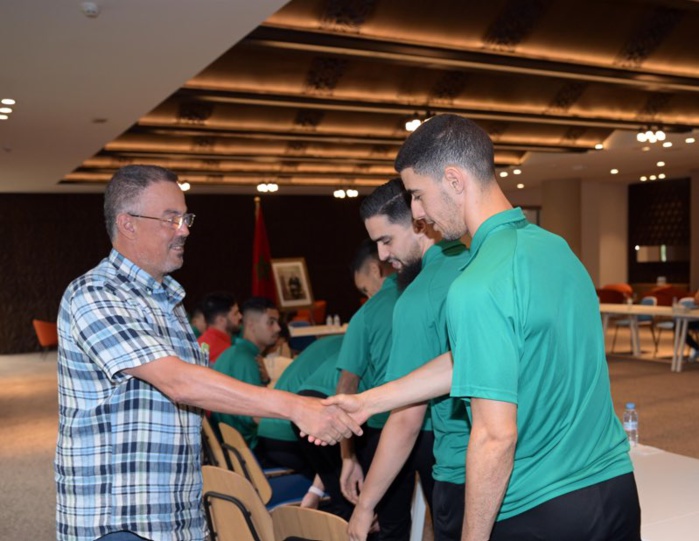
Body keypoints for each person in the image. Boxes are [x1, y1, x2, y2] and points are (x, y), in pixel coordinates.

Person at [328, 114, 641, 541]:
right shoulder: (556, 248)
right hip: (614, 489)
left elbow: (495, 437)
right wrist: (371, 400)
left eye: (417, 195)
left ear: (455, 180)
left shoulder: (477, 283)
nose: (417, 214)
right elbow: (476, 358)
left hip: (538, 506)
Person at [55, 164, 361, 541]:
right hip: (121, 519)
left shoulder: (168, 300)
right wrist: (295, 407)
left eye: (185, 218)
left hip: (176, 516)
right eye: (171, 219)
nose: (184, 229)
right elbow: (178, 382)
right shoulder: (95, 294)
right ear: (128, 223)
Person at [347, 177, 470, 541]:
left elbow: (404, 420)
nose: (382, 257)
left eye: (386, 240)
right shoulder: (478, 263)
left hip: (459, 471)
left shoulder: (418, 297)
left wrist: (365, 504)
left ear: (419, 223)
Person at [337, 239, 424, 541]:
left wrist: (347, 457)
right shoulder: (426, 295)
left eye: (364, 288)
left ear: (376, 269)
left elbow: (346, 390)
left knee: (391, 525)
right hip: (432, 430)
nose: (366, 296)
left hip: (383, 433)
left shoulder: (366, 315)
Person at [211, 297, 281, 449]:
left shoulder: (236, 352)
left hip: (232, 447)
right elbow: (254, 415)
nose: (278, 328)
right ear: (251, 325)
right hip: (247, 449)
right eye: (270, 322)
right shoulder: (244, 359)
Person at [196, 291, 242, 365]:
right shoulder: (223, 351)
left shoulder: (201, 342)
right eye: (235, 313)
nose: (240, 316)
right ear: (221, 320)